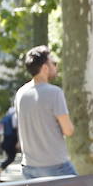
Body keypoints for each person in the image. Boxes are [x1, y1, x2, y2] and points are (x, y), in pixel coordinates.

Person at [13, 46, 76, 179]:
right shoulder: (54, 92)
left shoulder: (21, 93)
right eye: (53, 63)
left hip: (29, 167)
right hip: (56, 165)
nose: (56, 67)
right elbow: (68, 130)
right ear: (45, 68)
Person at [0, 103, 20, 174]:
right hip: (12, 140)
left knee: (10, 158)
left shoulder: (5, 117)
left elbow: (0, 130)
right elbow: (17, 128)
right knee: (11, 158)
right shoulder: (14, 116)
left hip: (5, 140)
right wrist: (19, 141)